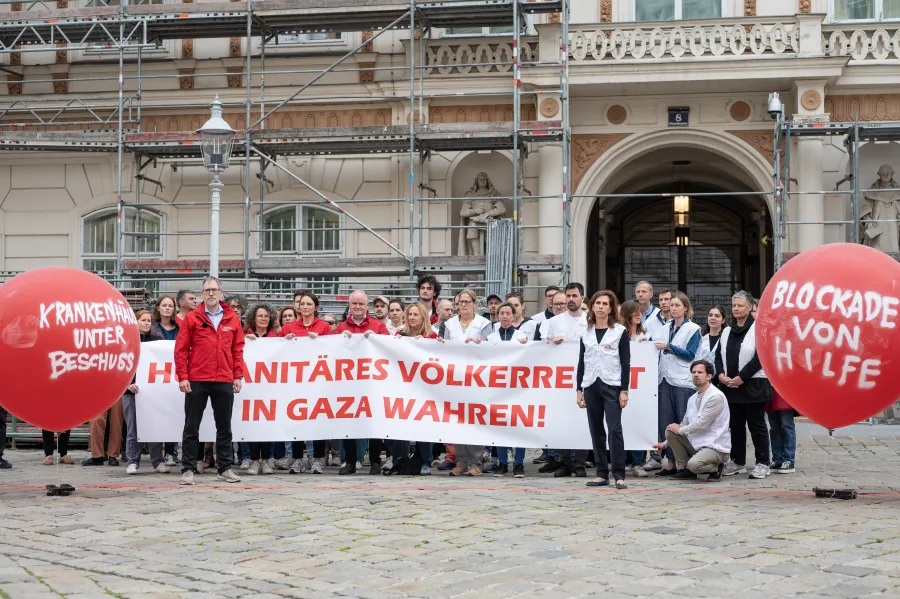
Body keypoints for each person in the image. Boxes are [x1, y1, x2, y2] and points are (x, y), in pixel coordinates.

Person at [175, 276, 245, 485]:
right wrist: (183, 376)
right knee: (191, 426)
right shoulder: (192, 318)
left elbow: (238, 349)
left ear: (221, 293)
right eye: (207, 291)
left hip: (224, 378)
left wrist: (238, 375)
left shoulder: (232, 318)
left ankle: (224, 468)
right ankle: (188, 469)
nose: (211, 294)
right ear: (202, 295)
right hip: (197, 379)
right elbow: (181, 350)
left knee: (224, 426)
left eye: (215, 290)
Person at [715, 290, 773, 480]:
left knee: (757, 426)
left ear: (749, 307)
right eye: (734, 306)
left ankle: (763, 462)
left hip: (752, 385)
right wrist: (722, 375)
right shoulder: (727, 331)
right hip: (730, 387)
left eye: (740, 305)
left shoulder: (758, 329)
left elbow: (760, 357)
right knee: (736, 426)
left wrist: (742, 377)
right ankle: (738, 461)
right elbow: (718, 355)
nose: (736, 309)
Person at [577, 290, 630, 489]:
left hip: (612, 384)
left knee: (614, 429)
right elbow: (581, 362)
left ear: (610, 308)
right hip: (591, 384)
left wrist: (624, 390)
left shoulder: (619, 331)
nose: (600, 306)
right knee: (596, 429)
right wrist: (578, 389)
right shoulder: (586, 332)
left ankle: (619, 474)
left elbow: (626, 362)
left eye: (604, 304)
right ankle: (601, 473)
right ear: (592, 306)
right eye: (597, 303)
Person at [337, 290, 390, 475]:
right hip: (349, 384)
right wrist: (338, 340)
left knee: (374, 423)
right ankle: (350, 462)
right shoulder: (341, 327)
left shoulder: (378, 326)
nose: (358, 307)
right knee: (349, 423)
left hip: (373, 384)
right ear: (349, 305)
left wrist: (377, 340)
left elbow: (389, 349)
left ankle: (375, 461)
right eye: (354, 304)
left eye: (361, 304)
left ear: (367, 306)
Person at [386, 302, 441, 476]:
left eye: (415, 315)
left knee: (423, 425)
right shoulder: (399, 335)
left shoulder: (432, 336)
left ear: (423, 317)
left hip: (424, 389)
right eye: (409, 315)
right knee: (400, 425)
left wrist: (437, 345)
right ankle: (399, 461)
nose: (411, 318)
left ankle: (425, 461)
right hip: (403, 388)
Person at [280, 292, 332, 475]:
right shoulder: (288, 328)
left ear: (316, 307)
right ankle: (297, 459)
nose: (305, 307)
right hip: (295, 381)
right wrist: (284, 342)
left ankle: (317, 459)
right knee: (296, 420)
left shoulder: (324, 327)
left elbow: (332, 350)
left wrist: (320, 342)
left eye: (309, 304)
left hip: (317, 380)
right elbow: (278, 351)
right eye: (302, 304)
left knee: (316, 420)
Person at [653, 360, 731, 482]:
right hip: (697, 443)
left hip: (715, 447)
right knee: (671, 431)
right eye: (693, 372)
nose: (695, 375)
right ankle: (685, 470)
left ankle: (716, 467)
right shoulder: (692, 398)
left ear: (709, 376)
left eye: (700, 372)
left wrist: (680, 430)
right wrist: (664, 444)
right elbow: (684, 424)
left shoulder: (715, 396)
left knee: (694, 465)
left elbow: (702, 425)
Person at [654, 291, 701, 477]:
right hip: (665, 378)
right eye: (671, 305)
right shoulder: (665, 327)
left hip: (682, 381)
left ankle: (687, 464)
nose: (673, 309)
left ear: (685, 308)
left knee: (682, 422)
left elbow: (690, 355)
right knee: (666, 421)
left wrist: (670, 347)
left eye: (677, 306)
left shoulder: (693, 329)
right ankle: (671, 463)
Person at [443, 288, 489, 476]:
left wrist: (480, 343)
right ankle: (461, 461)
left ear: (474, 304)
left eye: (467, 301)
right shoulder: (450, 324)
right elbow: (445, 350)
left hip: (476, 377)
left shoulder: (483, 323)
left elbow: (491, 348)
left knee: (474, 419)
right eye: (460, 302)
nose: (463, 305)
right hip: (456, 378)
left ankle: (476, 462)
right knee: (458, 419)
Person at [545, 282, 589, 478]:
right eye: (568, 296)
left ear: (581, 298)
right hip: (560, 379)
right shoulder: (555, 322)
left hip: (586, 377)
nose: (571, 300)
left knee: (582, 421)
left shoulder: (590, 320)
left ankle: (579, 463)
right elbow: (543, 349)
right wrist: (551, 344)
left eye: (574, 296)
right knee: (562, 420)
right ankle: (564, 462)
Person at [123, 309, 169, 475]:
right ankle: (133, 462)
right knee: (133, 428)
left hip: (152, 393)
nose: (147, 323)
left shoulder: (157, 341)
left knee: (154, 426)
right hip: (131, 392)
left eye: (149, 320)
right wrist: (128, 384)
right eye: (143, 320)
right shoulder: (127, 342)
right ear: (135, 322)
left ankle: (157, 462)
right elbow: (120, 367)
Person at [487, 302, 529, 478]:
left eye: (508, 313)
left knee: (519, 426)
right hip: (498, 388)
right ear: (498, 316)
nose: (504, 316)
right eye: (501, 313)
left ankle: (518, 464)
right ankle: (502, 463)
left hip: (517, 388)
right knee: (500, 426)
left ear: (513, 316)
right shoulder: (490, 339)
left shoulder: (522, 338)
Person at [241, 304, 277, 475]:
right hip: (251, 387)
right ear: (253, 318)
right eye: (260, 315)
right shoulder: (244, 337)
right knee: (253, 425)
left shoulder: (276, 337)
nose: (263, 319)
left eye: (266, 316)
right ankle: (255, 460)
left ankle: (266, 460)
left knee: (267, 426)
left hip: (270, 387)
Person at [619, 299, 650, 478]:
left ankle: (638, 462)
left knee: (638, 422)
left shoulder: (644, 335)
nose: (639, 315)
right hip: (621, 384)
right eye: (635, 312)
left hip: (641, 388)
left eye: (641, 312)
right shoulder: (617, 333)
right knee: (621, 424)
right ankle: (621, 462)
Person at [83, 390, 124, 468]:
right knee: (96, 420)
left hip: (118, 386)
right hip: (99, 388)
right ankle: (97, 456)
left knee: (116, 422)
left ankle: (113, 456)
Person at [767, 388, 796, 474]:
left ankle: (789, 459)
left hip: (785, 391)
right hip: (771, 391)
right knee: (774, 428)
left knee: (786, 426)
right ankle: (777, 459)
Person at [698, 304, 727, 369]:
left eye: (717, 316)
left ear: (723, 320)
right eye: (710, 315)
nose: (713, 318)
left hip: (722, 377)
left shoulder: (727, 339)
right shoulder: (701, 339)